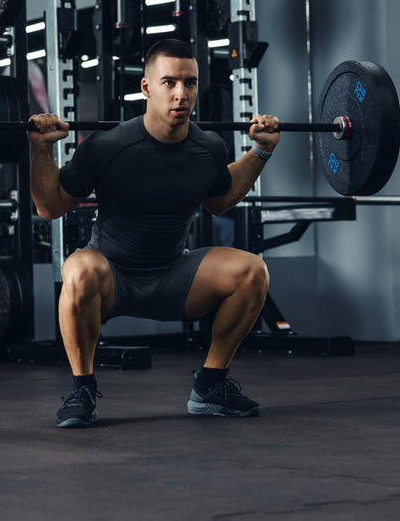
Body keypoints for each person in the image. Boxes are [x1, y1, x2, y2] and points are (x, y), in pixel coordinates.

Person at [28, 38, 280, 428]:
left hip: (173, 276)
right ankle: (82, 389)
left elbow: (220, 200)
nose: (182, 94)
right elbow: (50, 207)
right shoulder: (107, 146)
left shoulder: (209, 147)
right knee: (78, 269)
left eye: (190, 83)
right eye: (169, 83)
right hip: (112, 277)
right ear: (146, 88)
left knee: (252, 271)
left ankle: (210, 386)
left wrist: (259, 152)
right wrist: (42, 150)